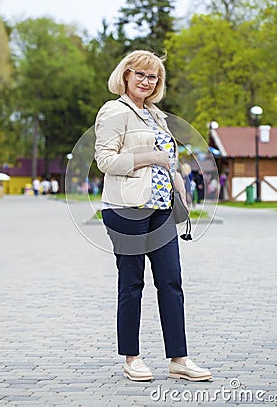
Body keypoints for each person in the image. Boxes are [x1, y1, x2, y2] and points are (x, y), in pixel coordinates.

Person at [94, 50, 212, 382]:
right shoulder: (114, 112)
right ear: (126, 75)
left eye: (153, 77)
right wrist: (149, 157)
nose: (147, 82)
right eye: (141, 75)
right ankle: (132, 358)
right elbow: (105, 161)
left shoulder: (156, 116)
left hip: (161, 209)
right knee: (132, 284)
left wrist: (178, 182)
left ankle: (179, 359)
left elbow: (168, 160)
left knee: (171, 282)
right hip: (126, 210)